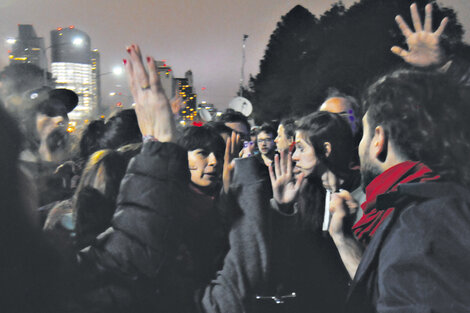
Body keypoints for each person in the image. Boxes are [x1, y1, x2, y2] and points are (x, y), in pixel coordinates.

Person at [264, 111, 360, 313]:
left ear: (325, 150)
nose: (294, 156)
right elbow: (284, 261)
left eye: (300, 148)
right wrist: (282, 208)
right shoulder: (306, 193)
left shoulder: (361, 196)